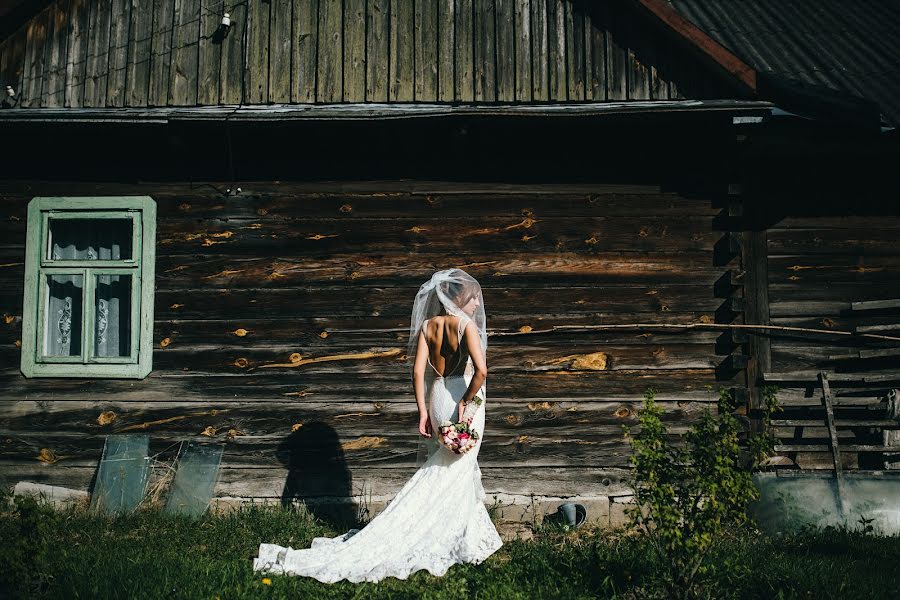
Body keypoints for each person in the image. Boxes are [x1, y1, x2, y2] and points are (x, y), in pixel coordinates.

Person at [252, 269, 503, 582]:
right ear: (457, 298)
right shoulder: (465, 326)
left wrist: (423, 412)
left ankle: (464, 535)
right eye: (474, 296)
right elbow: (481, 371)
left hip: (437, 397)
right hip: (460, 397)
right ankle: (431, 532)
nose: (479, 302)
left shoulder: (428, 326)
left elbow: (416, 373)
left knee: (452, 467)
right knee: (454, 469)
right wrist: (466, 401)